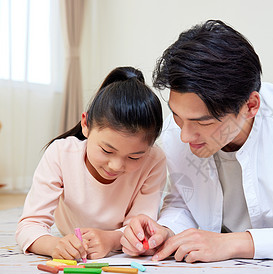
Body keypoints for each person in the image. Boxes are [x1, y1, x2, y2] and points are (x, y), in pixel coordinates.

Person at [121, 20, 273, 263]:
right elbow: (184, 202)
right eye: (176, 115)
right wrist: (166, 231)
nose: (185, 136)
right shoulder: (177, 129)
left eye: (203, 122)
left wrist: (232, 243)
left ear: (251, 106)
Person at [15, 66, 166, 261]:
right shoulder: (61, 153)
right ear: (86, 125)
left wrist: (111, 240)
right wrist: (55, 245)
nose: (116, 166)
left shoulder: (154, 160)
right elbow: (29, 225)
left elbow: (139, 228)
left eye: (134, 157)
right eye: (107, 150)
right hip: (68, 237)